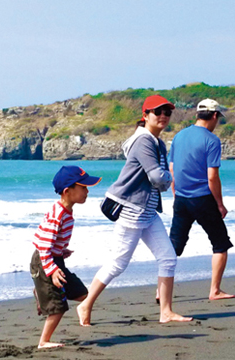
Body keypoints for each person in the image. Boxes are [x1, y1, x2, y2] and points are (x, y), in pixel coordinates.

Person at [77, 95, 193, 327]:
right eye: (157, 111)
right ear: (145, 115)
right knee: (118, 262)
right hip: (132, 210)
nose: (163, 116)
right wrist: (170, 178)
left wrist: (163, 180)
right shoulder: (143, 141)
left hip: (148, 212)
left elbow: (156, 177)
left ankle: (166, 312)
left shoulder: (157, 142)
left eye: (167, 112)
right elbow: (157, 176)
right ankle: (86, 304)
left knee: (168, 258)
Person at [167, 98, 235, 301]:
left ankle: (160, 291)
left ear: (197, 115)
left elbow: (172, 169)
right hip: (203, 198)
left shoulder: (179, 136)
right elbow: (212, 176)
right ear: (214, 116)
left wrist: (175, 193)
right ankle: (214, 290)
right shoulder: (211, 140)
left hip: (181, 198)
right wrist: (220, 204)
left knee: (174, 246)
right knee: (220, 243)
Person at [31, 165, 101, 348]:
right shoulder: (57, 215)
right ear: (67, 191)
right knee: (58, 308)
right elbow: (44, 246)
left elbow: (52, 242)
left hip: (55, 258)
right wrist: (52, 270)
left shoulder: (67, 211)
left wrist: (61, 251)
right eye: (83, 187)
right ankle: (43, 341)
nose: (87, 191)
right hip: (44, 262)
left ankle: (42, 293)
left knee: (83, 294)